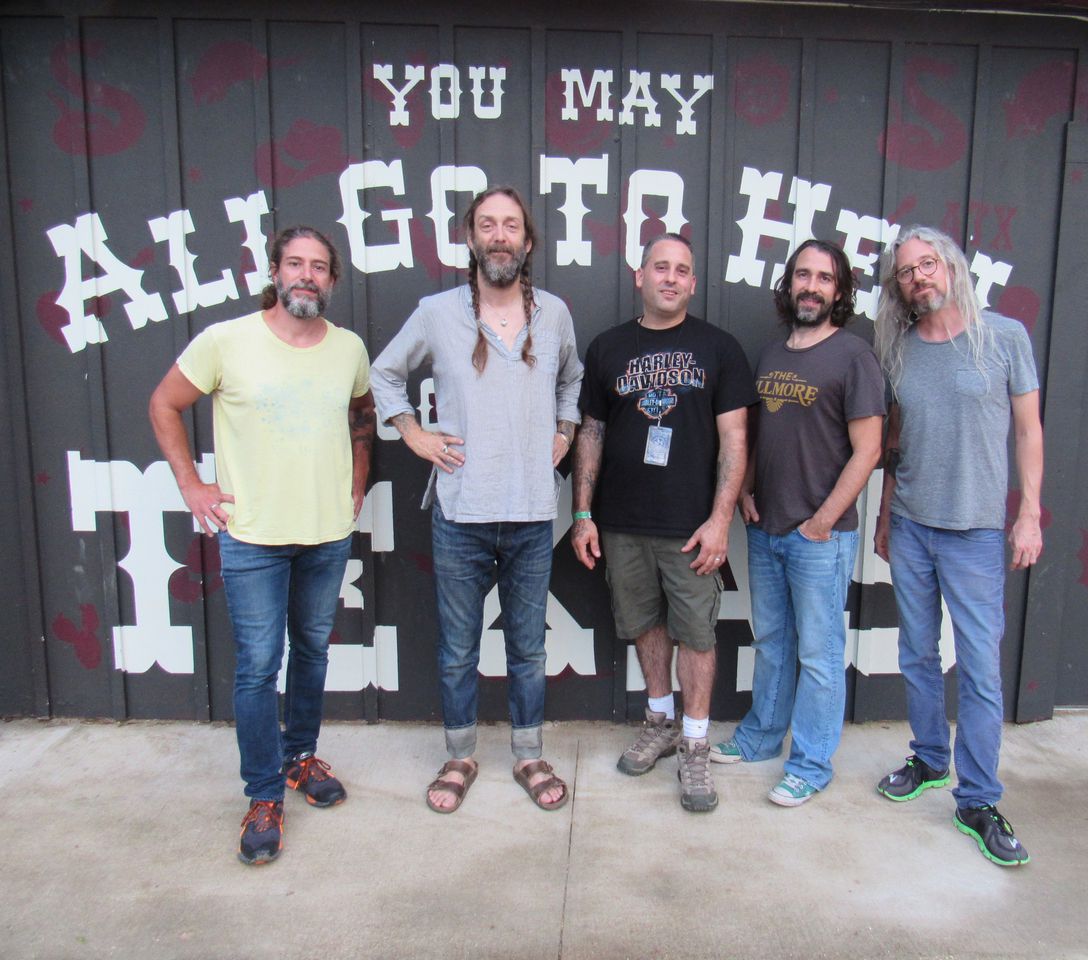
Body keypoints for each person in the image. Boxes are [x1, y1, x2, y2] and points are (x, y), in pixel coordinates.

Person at [149, 226, 374, 865]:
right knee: (256, 667)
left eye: (319, 267)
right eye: (295, 264)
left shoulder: (349, 348)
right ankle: (264, 794)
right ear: (275, 272)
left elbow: (362, 415)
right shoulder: (226, 341)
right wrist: (190, 484)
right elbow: (164, 404)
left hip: (327, 533)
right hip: (251, 537)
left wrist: (357, 480)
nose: (307, 275)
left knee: (312, 650)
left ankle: (300, 757)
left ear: (332, 280)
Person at [370, 186, 582, 814]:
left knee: (528, 648)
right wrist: (414, 434)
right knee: (459, 648)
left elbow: (572, 378)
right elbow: (384, 373)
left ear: (528, 241)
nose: (499, 236)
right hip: (461, 510)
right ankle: (460, 756)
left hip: (531, 512)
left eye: (510, 226)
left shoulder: (554, 314)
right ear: (470, 238)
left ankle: (529, 755)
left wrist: (565, 431)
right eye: (487, 225)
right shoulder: (437, 312)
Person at [871, 225, 1043, 867]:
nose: (918, 277)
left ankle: (977, 800)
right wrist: (885, 516)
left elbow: (1028, 431)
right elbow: (895, 442)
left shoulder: (1004, 337)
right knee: (917, 653)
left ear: (951, 267)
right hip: (912, 525)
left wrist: (1029, 514)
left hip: (975, 531)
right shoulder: (899, 350)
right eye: (906, 271)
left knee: (978, 669)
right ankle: (929, 759)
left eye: (927, 264)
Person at [572, 233, 756, 813]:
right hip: (622, 522)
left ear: (693, 283)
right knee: (645, 625)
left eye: (681, 270)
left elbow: (735, 440)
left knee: (697, 634)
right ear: (640, 275)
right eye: (660, 267)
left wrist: (721, 520)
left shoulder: (718, 347)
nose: (670, 278)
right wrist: (582, 513)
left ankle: (695, 743)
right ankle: (660, 721)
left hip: (691, 526)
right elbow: (591, 433)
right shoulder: (607, 348)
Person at [710, 240, 884, 806]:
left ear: (840, 291)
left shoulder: (854, 356)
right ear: (789, 286)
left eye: (824, 278)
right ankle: (761, 738)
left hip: (819, 537)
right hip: (767, 529)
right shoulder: (770, 355)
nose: (811, 287)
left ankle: (810, 765)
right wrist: (746, 489)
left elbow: (869, 449)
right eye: (802, 276)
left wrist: (823, 521)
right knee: (773, 643)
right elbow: (759, 434)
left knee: (819, 656)